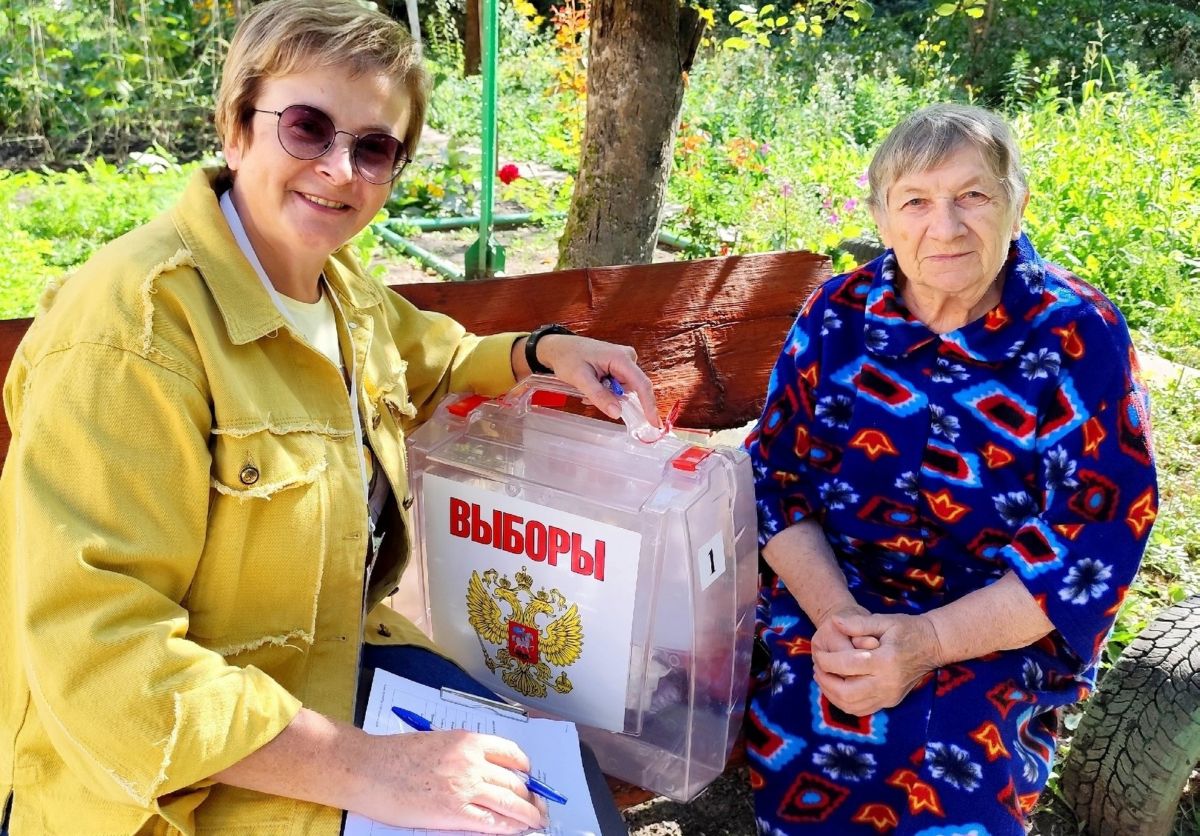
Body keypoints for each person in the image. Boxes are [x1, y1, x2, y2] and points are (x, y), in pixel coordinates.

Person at [0, 1, 655, 833]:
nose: (341, 169)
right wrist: (376, 769)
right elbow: (100, 661)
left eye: (375, 147)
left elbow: (433, 357)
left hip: (328, 665)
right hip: (177, 779)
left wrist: (542, 349)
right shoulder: (131, 333)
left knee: (563, 784)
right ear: (236, 128)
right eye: (308, 128)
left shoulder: (336, 291)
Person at [745, 103, 1158, 834]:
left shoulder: (1076, 334)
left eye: (973, 195)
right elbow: (777, 483)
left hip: (994, 623)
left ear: (1016, 204)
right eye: (916, 202)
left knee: (957, 753)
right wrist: (839, 618)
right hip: (838, 600)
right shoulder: (837, 316)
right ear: (881, 218)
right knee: (809, 709)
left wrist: (927, 643)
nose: (946, 225)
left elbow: (1089, 543)